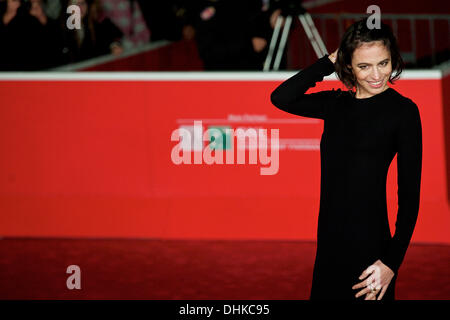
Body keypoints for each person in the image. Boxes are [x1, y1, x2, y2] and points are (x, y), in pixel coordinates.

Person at [271, 18, 422, 300]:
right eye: (364, 65)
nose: (377, 74)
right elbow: (282, 98)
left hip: (372, 253)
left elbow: (410, 196)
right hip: (329, 248)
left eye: (384, 63)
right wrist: (328, 62)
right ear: (349, 65)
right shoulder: (336, 105)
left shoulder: (403, 112)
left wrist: (391, 263)